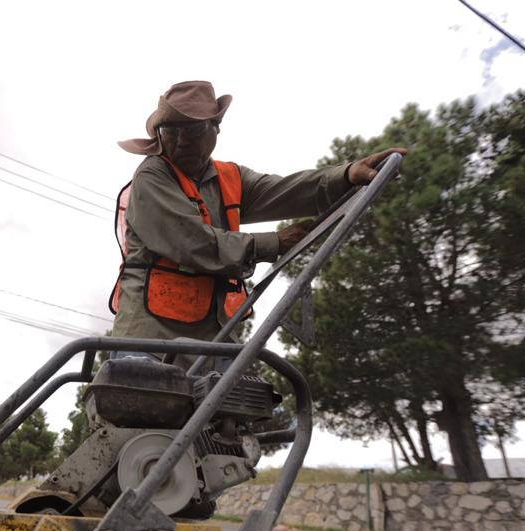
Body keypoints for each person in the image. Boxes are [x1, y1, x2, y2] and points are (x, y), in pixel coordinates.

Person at [109, 80, 405, 349]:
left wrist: (347, 175)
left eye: (193, 130)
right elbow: (190, 242)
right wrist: (274, 242)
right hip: (150, 342)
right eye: (171, 131)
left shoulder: (229, 178)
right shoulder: (153, 175)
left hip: (212, 343)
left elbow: (286, 191)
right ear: (159, 134)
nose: (181, 140)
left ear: (216, 129)